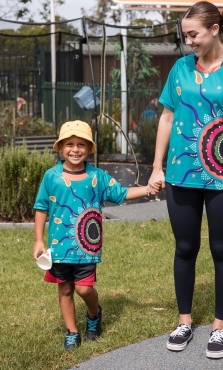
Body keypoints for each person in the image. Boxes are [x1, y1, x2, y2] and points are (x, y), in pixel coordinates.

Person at [148, 1, 223, 359]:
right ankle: (184, 322)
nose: (189, 42)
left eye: (193, 34)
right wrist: (156, 166)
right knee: (185, 248)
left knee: (221, 249)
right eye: (186, 35)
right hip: (182, 174)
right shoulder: (181, 69)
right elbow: (167, 117)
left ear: (215, 29)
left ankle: (219, 327)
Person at [33, 120, 161, 351]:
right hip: (59, 249)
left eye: (81, 144)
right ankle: (72, 331)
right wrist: (39, 240)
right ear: (61, 147)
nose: (75, 149)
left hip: (86, 248)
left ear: (89, 148)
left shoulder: (97, 176)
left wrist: (148, 189)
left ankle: (94, 313)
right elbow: (41, 207)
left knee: (83, 288)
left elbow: (121, 193)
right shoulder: (51, 176)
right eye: (70, 144)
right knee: (65, 289)